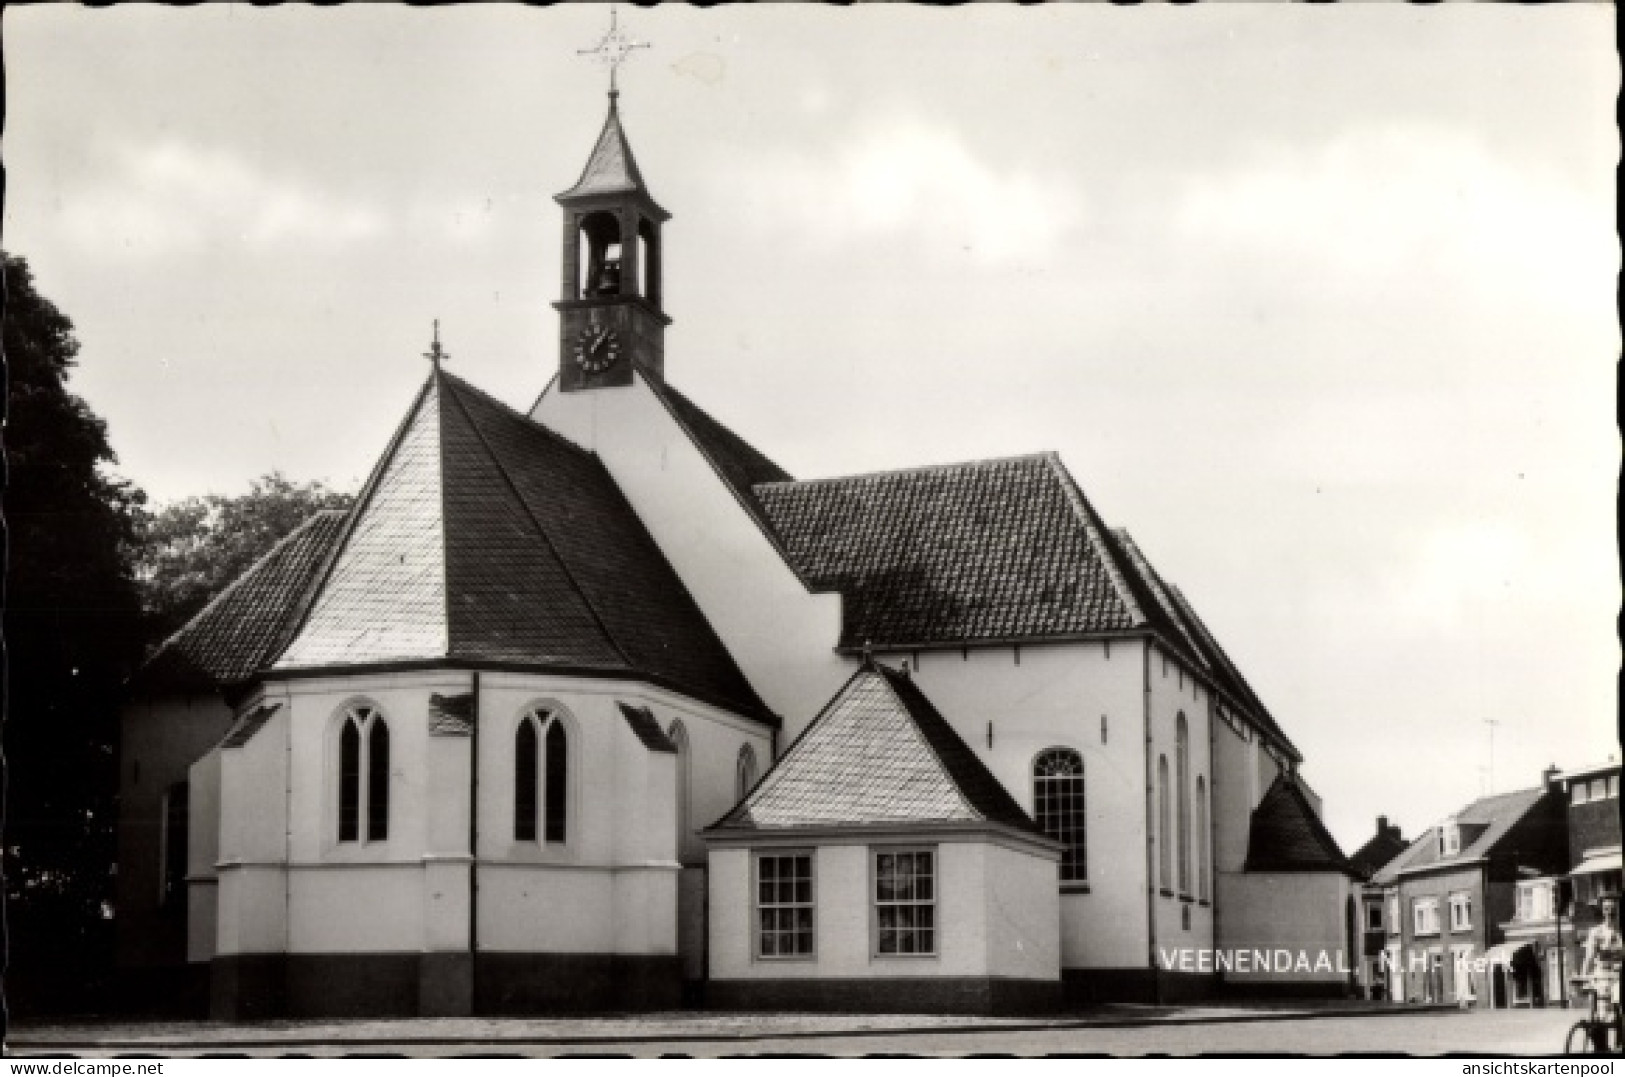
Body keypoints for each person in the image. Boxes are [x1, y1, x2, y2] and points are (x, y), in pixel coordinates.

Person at [1580, 891, 1622, 1052]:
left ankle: (1619, 1044)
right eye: (1606, 909)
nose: (1610, 913)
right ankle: (1601, 1048)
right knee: (1600, 1015)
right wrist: (1584, 976)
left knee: (1619, 1008)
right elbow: (1589, 957)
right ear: (1602, 911)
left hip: (1620, 976)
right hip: (1603, 976)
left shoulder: (1622, 932)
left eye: (1613, 909)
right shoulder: (1596, 932)